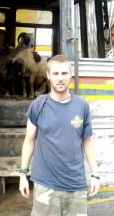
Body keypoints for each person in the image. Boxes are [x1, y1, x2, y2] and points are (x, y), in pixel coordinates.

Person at [19, 54, 99, 216]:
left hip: (76, 186)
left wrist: (95, 174)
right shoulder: (38, 105)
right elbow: (29, 141)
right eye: (55, 74)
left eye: (64, 73)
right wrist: (23, 174)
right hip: (45, 186)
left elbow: (88, 141)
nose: (60, 78)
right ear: (48, 75)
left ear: (71, 75)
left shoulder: (82, 105)